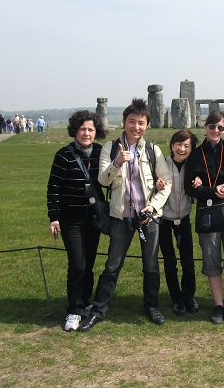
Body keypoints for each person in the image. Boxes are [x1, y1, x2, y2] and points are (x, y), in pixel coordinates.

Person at [80, 98, 172, 331]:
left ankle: (151, 306)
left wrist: (153, 206)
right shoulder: (110, 148)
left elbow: (167, 181)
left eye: (141, 123)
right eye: (132, 122)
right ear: (124, 122)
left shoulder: (153, 150)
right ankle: (99, 310)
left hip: (147, 217)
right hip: (120, 217)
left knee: (151, 265)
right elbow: (102, 180)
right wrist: (117, 163)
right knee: (112, 265)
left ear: (147, 125)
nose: (136, 127)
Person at [47, 110, 108, 332]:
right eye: (82, 129)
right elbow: (53, 188)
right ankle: (74, 309)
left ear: (96, 131)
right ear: (75, 130)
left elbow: (110, 179)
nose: (86, 133)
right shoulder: (63, 155)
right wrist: (54, 217)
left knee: (89, 264)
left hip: (93, 218)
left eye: (91, 129)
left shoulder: (101, 153)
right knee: (77, 264)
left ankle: (85, 301)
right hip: (70, 218)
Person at [184, 110, 224, 324]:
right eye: (212, 126)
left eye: (220, 127)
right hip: (208, 212)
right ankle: (218, 305)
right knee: (211, 258)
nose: (216, 131)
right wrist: (212, 191)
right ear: (205, 126)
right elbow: (189, 187)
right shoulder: (195, 155)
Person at [158, 128, 200, 315]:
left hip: (183, 218)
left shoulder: (193, 166)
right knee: (169, 261)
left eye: (186, 146)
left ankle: (189, 296)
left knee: (188, 261)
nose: (181, 149)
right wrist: (157, 183)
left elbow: (203, 178)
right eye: (178, 144)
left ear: (191, 149)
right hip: (164, 219)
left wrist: (199, 179)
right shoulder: (162, 165)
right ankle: (176, 298)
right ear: (172, 145)